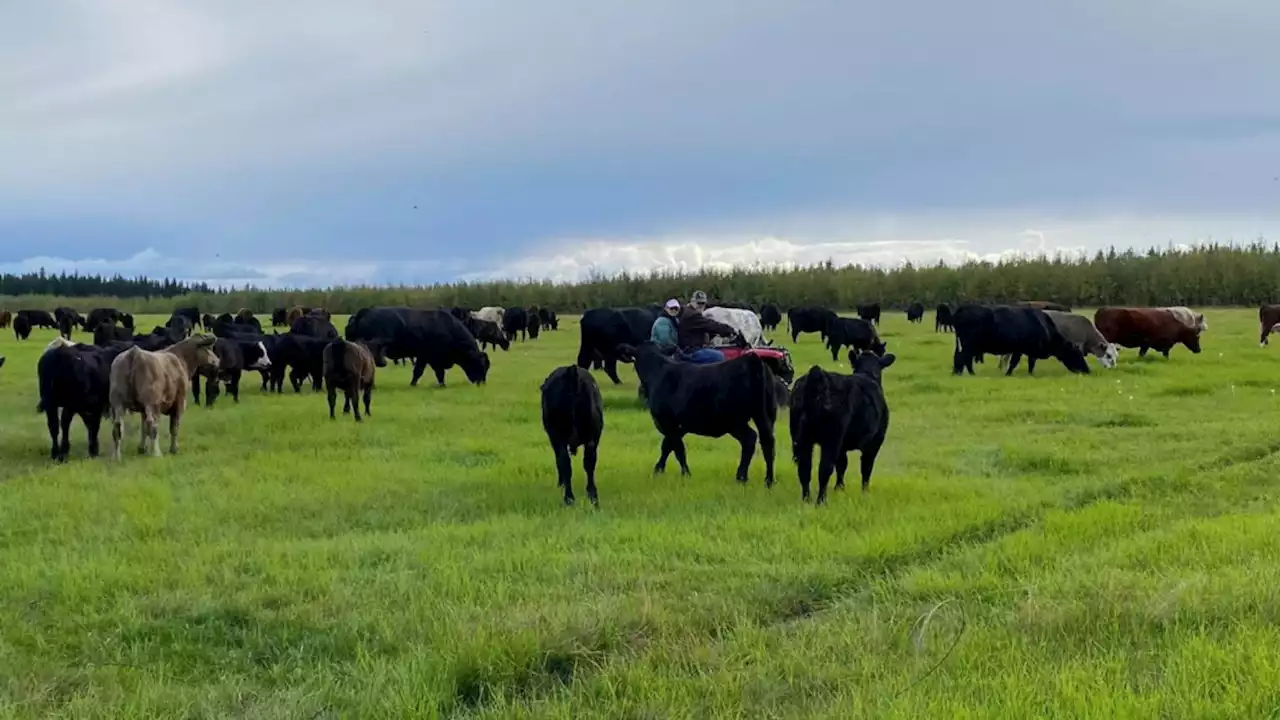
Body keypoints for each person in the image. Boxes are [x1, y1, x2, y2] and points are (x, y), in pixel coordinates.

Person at [677, 290, 738, 364]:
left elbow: (706, 327)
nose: (701, 306)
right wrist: (730, 330)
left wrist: (718, 333)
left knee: (716, 349)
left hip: (689, 348)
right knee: (720, 356)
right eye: (699, 303)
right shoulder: (693, 315)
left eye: (703, 303)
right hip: (691, 351)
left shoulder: (688, 311)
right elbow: (711, 325)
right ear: (692, 301)